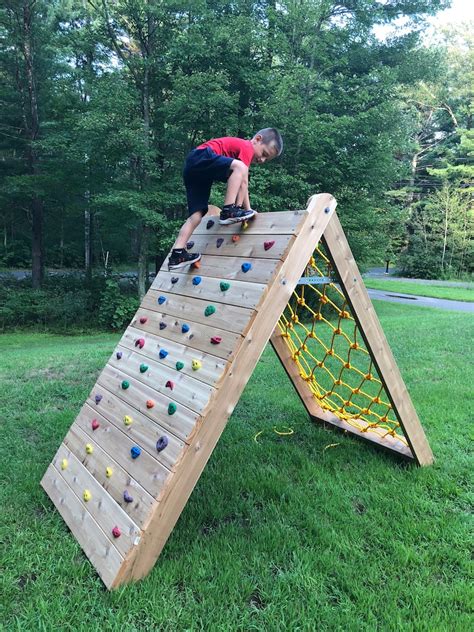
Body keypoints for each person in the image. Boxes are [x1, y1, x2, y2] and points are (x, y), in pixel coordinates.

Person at [168, 128, 283, 270]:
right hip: (201, 155)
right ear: (257, 139)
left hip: (195, 170)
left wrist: (248, 211)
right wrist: (243, 209)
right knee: (241, 169)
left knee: (197, 215)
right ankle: (229, 210)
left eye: (267, 159)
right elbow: (244, 181)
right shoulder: (247, 146)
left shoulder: (241, 161)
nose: (262, 159)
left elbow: (242, 183)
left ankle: (177, 254)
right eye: (264, 153)